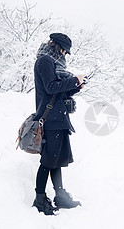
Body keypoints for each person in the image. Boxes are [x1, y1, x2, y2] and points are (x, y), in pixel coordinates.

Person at [32, 33, 87, 215]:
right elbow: (50, 87)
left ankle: (60, 196)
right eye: (64, 50)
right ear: (57, 46)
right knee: (47, 162)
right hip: (50, 120)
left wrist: (76, 86)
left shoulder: (54, 63)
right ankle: (39, 200)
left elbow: (60, 91)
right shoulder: (44, 61)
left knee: (56, 161)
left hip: (59, 118)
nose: (65, 54)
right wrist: (73, 80)